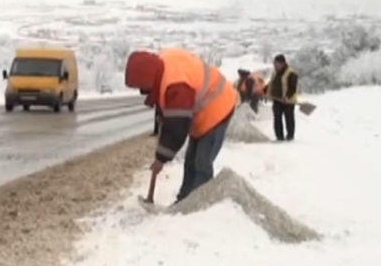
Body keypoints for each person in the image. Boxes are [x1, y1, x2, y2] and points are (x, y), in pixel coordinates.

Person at [125, 48, 238, 203]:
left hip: (218, 106)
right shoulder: (162, 66)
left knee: (202, 161)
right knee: (191, 160)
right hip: (204, 110)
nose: (142, 92)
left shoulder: (177, 85)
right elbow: (168, 113)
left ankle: (199, 203)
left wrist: (161, 159)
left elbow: (177, 128)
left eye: (143, 88)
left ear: (148, 79)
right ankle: (185, 199)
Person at [264, 54, 299, 141]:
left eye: (276, 64)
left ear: (282, 63)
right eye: (274, 64)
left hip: (288, 101)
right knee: (277, 118)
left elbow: (293, 87)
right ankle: (279, 137)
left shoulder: (291, 73)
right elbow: (271, 84)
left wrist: (287, 97)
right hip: (277, 100)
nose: (275, 65)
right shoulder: (275, 73)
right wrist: (265, 91)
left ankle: (290, 136)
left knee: (289, 119)